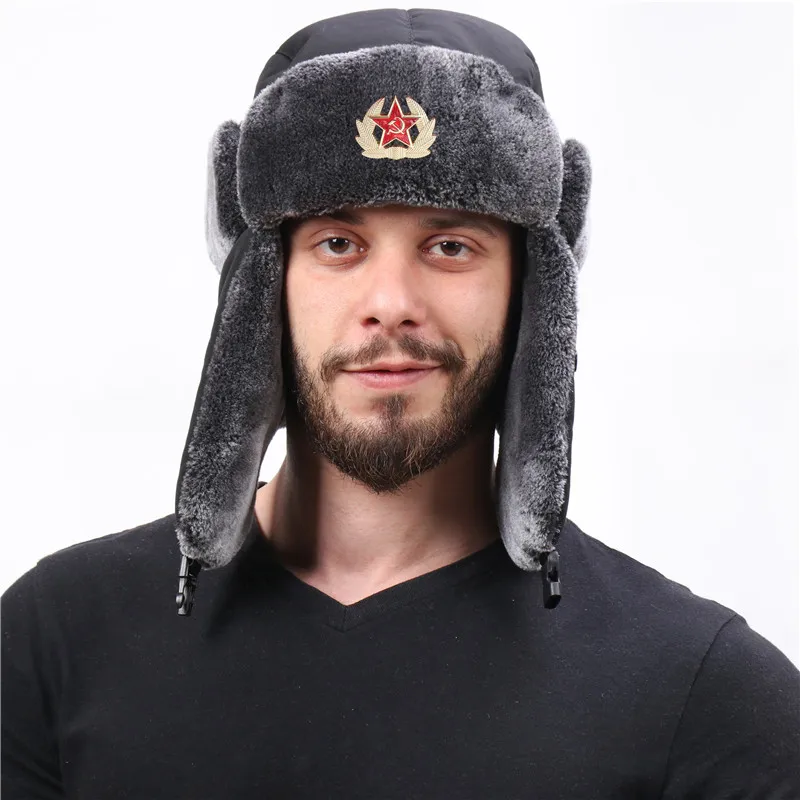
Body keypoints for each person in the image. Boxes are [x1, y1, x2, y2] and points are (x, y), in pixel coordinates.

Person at [2, 8, 798, 799]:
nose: (390, 303)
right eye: (337, 244)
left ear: (531, 289)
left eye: (450, 246)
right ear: (262, 281)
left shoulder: (706, 700)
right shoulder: (53, 644)